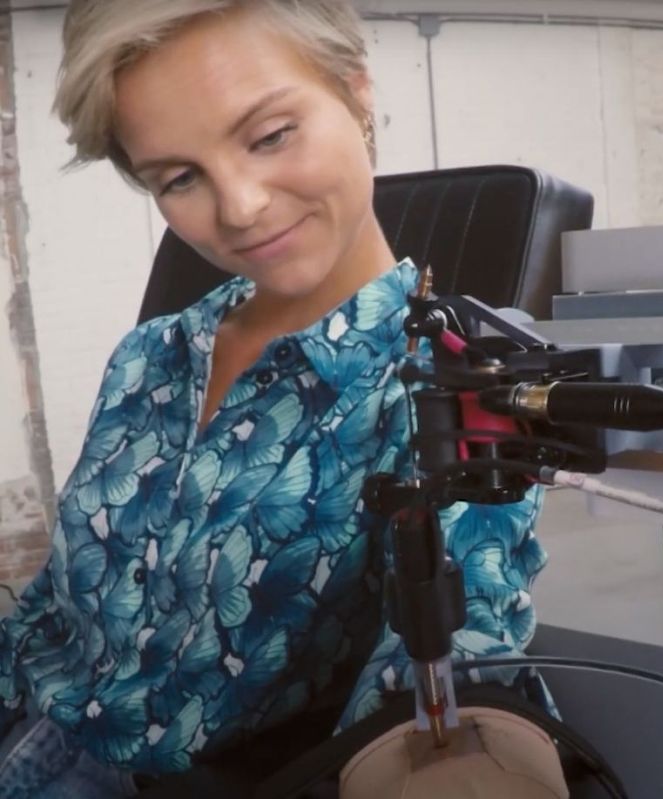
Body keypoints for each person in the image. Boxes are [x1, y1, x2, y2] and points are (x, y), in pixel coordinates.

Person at [0, 2, 549, 795]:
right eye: (179, 178)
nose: (240, 207)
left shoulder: (448, 382)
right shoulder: (150, 356)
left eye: (269, 136)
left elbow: (456, 662)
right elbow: (56, 610)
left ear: (357, 92)